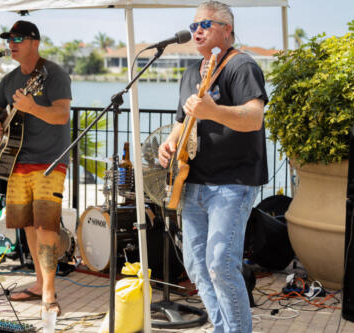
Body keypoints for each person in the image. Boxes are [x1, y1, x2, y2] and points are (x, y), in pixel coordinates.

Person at [158, 1, 268, 332]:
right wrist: (169, 143)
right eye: (194, 26)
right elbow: (183, 122)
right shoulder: (191, 72)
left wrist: (214, 111)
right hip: (193, 182)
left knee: (220, 264)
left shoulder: (241, 66)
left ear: (227, 30)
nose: (198, 31)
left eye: (206, 24)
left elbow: (255, 116)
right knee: (196, 266)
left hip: (233, 182)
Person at [0, 20, 71, 316]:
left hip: (50, 161)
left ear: (35, 42)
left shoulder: (54, 74)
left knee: (47, 224)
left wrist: (32, 107)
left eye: (18, 38)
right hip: (16, 161)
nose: (12, 43)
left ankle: (49, 291)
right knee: (30, 226)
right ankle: (38, 282)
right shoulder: (8, 80)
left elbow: (61, 115)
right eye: (9, 38)